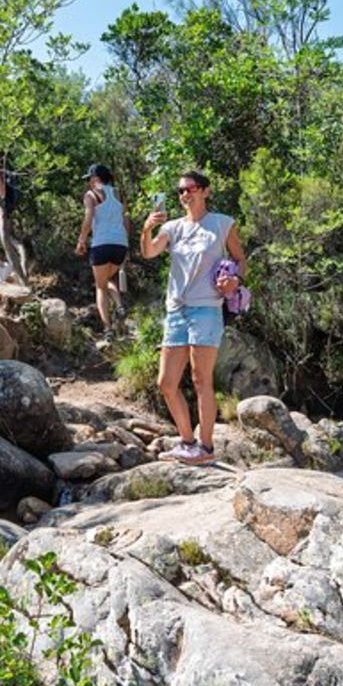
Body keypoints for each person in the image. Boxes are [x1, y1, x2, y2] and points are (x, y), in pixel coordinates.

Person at [140, 170, 246, 465]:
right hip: (176, 309)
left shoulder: (222, 224)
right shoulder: (172, 227)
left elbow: (240, 259)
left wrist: (235, 280)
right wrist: (146, 229)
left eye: (191, 188)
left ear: (206, 191)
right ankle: (187, 442)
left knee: (201, 380)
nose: (185, 194)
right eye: (180, 191)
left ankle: (206, 448)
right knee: (166, 382)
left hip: (206, 309)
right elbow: (149, 253)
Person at [75, 164, 129, 341]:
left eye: (90, 179)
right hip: (120, 244)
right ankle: (119, 306)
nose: (89, 183)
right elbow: (126, 220)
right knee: (106, 280)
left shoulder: (91, 195)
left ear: (96, 179)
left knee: (100, 287)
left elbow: (89, 216)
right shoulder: (119, 194)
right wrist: (126, 243)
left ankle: (108, 329)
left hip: (101, 244)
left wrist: (81, 240)